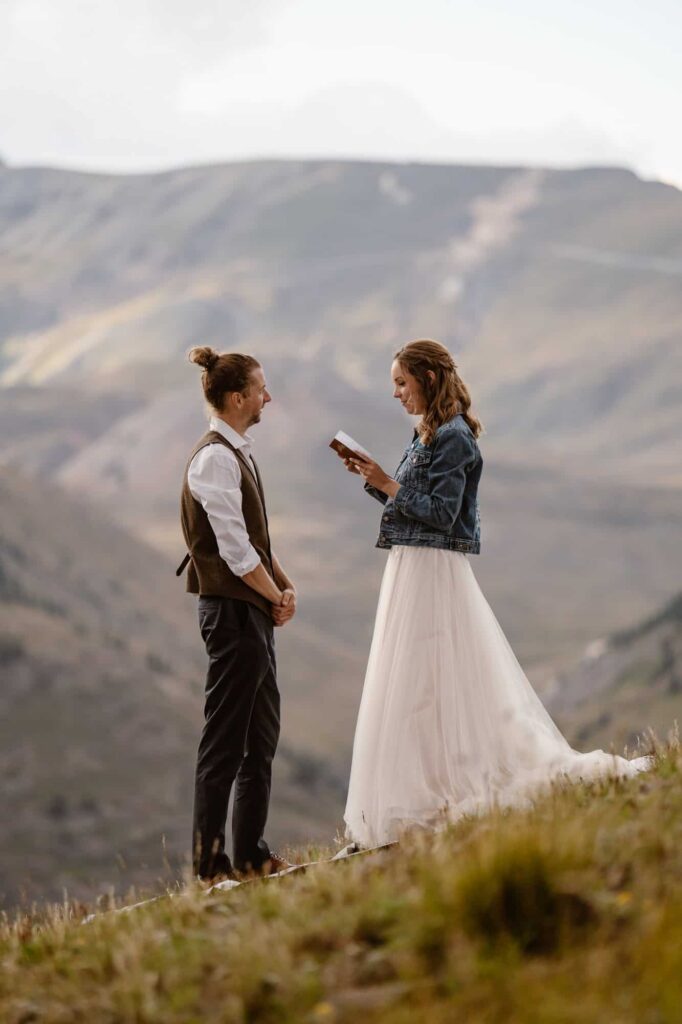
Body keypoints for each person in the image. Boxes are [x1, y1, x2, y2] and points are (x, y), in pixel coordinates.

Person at [339, 338, 652, 849]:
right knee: (417, 680)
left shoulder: (455, 437)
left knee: (433, 673)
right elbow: (414, 501)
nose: (395, 393)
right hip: (411, 564)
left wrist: (389, 486)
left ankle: (448, 782)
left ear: (429, 379)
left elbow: (441, 512)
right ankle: (422, 786)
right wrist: (374, 479)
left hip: (433, 571)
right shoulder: (428, 432)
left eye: (401, 382)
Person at [178, 347, 296, 883]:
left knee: (262, 735)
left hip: (251, 611)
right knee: (224, 740)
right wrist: (273, 595)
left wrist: (284, 586)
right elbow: (234, 550)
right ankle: (209, 867)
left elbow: (253, 539)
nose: (267, 397)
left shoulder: (237, 452)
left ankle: (250, 856)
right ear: (237, 397)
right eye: (261, 388)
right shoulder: (215, 459)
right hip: (231, 614)